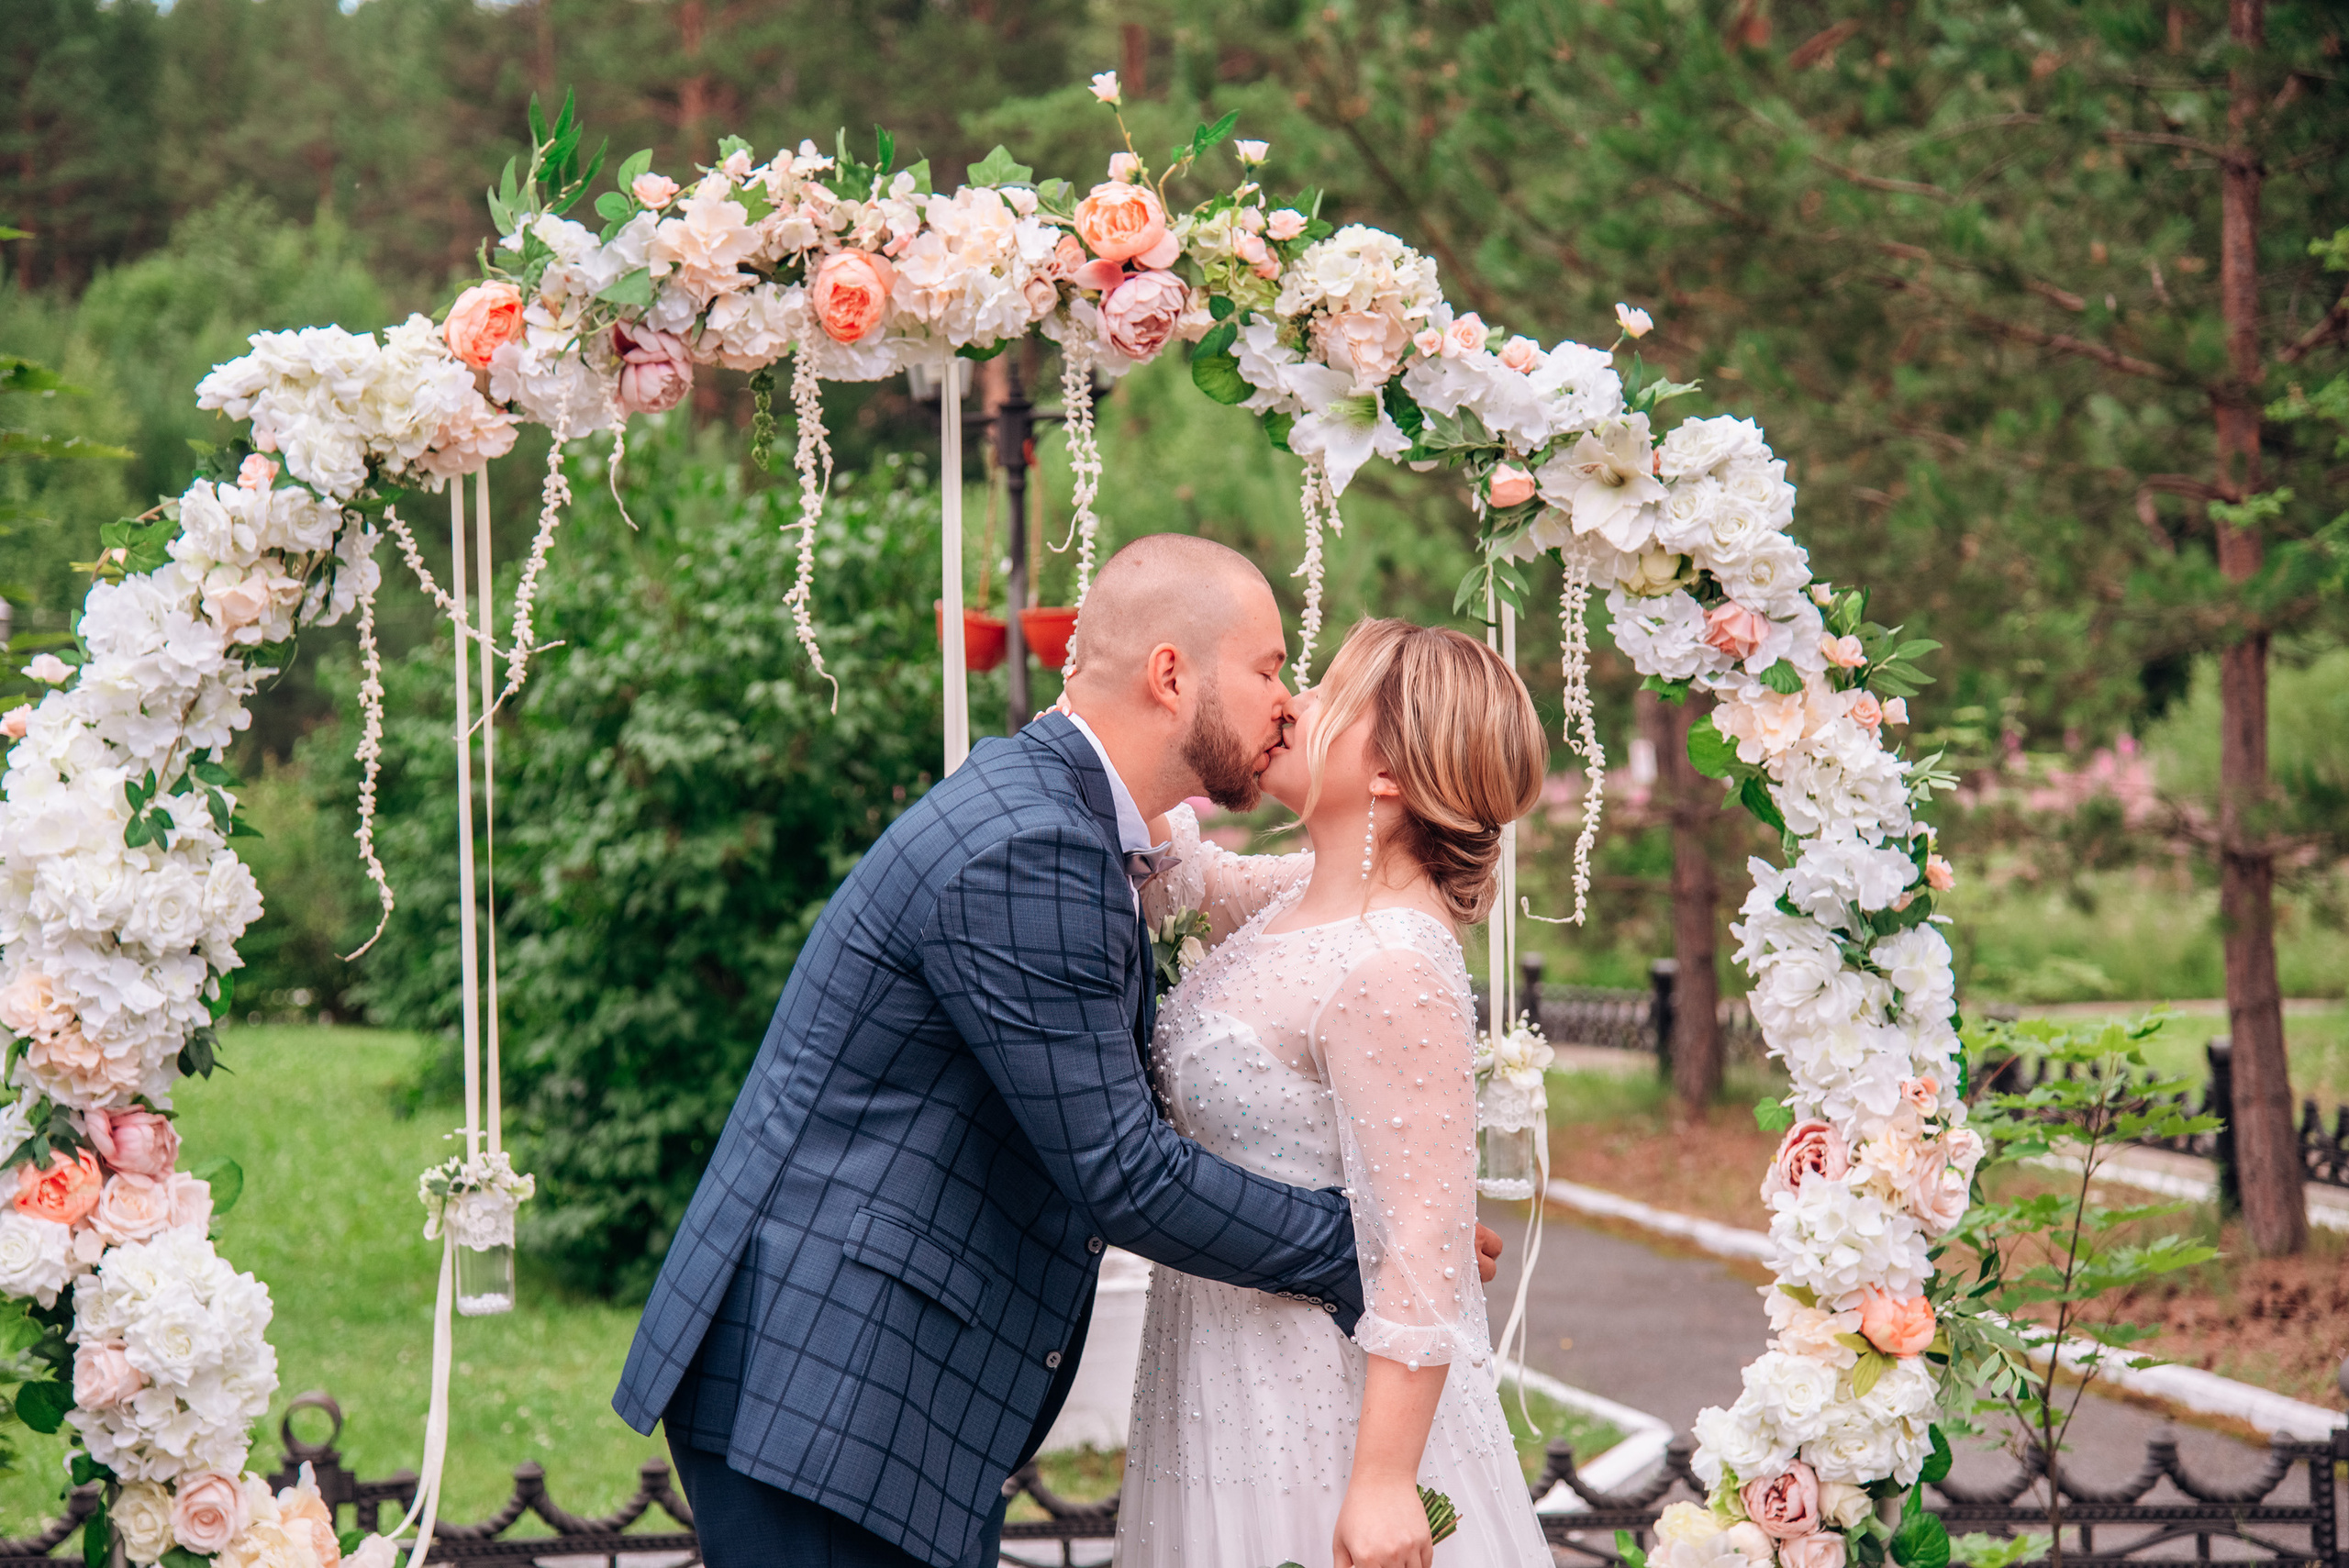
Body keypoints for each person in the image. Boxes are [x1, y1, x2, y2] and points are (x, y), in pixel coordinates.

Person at [611, 537, 1502, 1568]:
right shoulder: (1034, 846)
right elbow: (1121, 1172)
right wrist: (1372, 1245)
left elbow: (1335, 919)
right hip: (828, 1382)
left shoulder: (1061, 816)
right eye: (1267, 669)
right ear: (1172, 674)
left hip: (863, 1375)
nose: (1287, 702)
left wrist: (1421, 877)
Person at [1120, 617, 1555, 1568]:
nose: (1292, 701)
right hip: (1213, 1371)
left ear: (1392, 769)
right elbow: (1172, 874)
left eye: (1323, 694)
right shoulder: (1296, 898)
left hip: (1317, 1405)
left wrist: (1383, 1481)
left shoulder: (1393, 960)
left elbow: (1423, 1245)